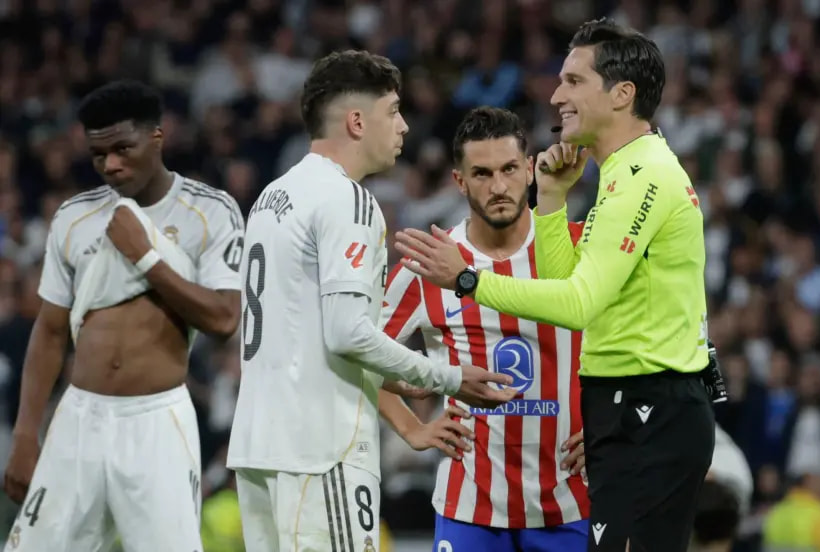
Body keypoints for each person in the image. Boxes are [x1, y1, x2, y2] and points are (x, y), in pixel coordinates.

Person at [394, 18, 716, 552]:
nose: (556, 95)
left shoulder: (644, 177)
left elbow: (577, 303)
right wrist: (551, 201)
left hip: (650, 409)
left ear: (622, 94)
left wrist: (468, 280)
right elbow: (564, 281)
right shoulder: (621, 174)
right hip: (626, 409)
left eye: (573, 81)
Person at [225, 50, 515, 552]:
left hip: (259, 446)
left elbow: (311, 336)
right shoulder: (347, 199)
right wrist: (448, 377)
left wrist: (401, 399)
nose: (404, 126)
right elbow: (348, 333)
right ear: (357, 122)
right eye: (393, 111)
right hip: (322, 451)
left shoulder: (273, 195)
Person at [2, 80, 243, 551]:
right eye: (98, 154)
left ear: (157, 136)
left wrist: (147, 257)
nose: (110, 165)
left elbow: (223, 319)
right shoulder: (74, 216)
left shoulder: (210, 211)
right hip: (78, 418)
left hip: (157, 421)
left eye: (122, 149)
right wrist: (26, 434)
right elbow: (50, 332)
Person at [379, 106, 590, 552]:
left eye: (509, 169)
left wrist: (613, 427)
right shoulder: (429, 265)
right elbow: (358, 352)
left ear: (529, 170)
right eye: (482, 173)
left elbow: (637, 347)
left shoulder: (576, 249)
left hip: (571, 504)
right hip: (469, 509)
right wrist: (412, 428)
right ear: (459, 181)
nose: (498, 186)